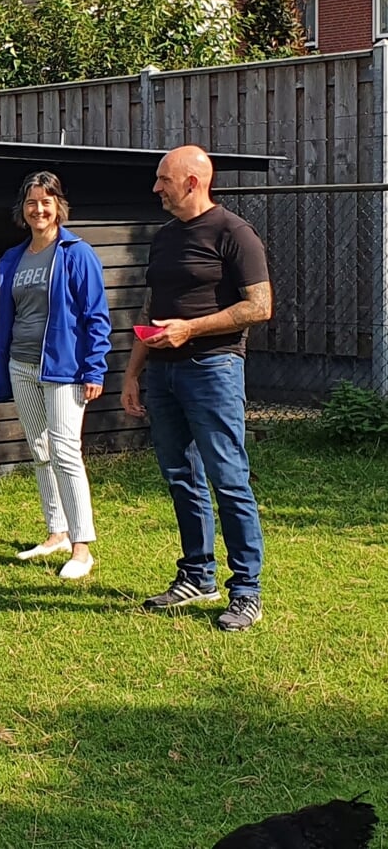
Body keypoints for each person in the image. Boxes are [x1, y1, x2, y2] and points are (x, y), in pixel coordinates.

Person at [121, 145, 272, 632]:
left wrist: (192, 328)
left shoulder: (235, 233)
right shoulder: (164, 237)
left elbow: (259, 307)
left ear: (192, 182)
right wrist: (132, 372)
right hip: (162, 373)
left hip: (213, 368)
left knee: (228, 479)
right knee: (180, 476)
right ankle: (197, 575)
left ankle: (246, 591)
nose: (156, 188)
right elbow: (150, 307)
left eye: (164, 179)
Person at [0, 172, 111, 579]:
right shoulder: (13, 258)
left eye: (46, 201)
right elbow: (8, 318)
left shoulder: (76, 253)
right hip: (21, 366)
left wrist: (94, 368)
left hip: (64, 369)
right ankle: (55, 532)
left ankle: (82, 547)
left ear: (58, 206)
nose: (38, 209)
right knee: (40, 450)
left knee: (65, 450)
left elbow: (96, 317)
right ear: (22, 210)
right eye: (31, 203)